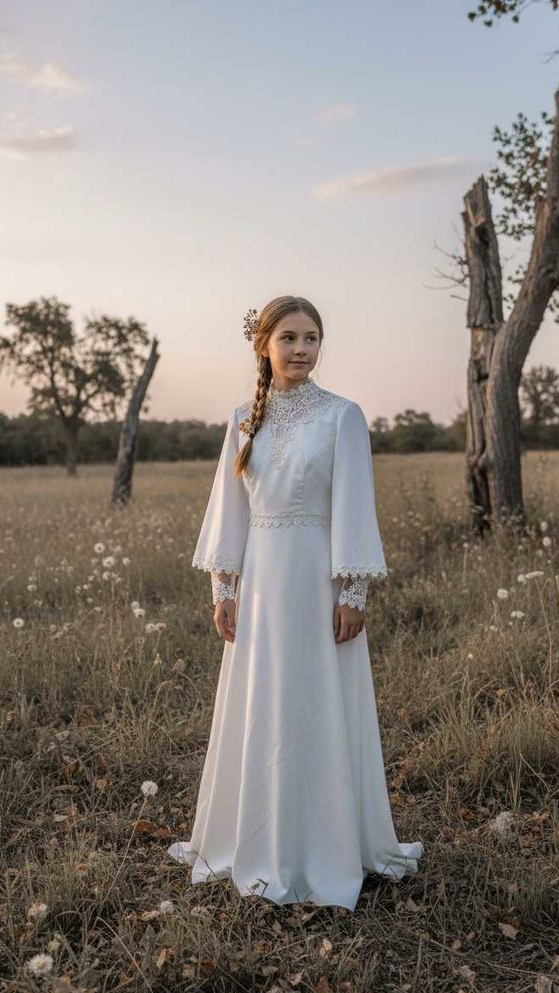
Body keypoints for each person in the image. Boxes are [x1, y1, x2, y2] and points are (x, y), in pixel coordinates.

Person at [168, 295, 422, 910]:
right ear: (265, 345)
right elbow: (230, 513)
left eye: (312, 337)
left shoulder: (342, 417)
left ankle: (326, 842)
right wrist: (223, 590)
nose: (302, 349)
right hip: (260, 584)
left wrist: (353, 590)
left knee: (316, 700)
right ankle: (252, 835)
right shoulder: (242, 420)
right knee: (263, 702)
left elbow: (355, 508)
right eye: (289, 338)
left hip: (317, 579)